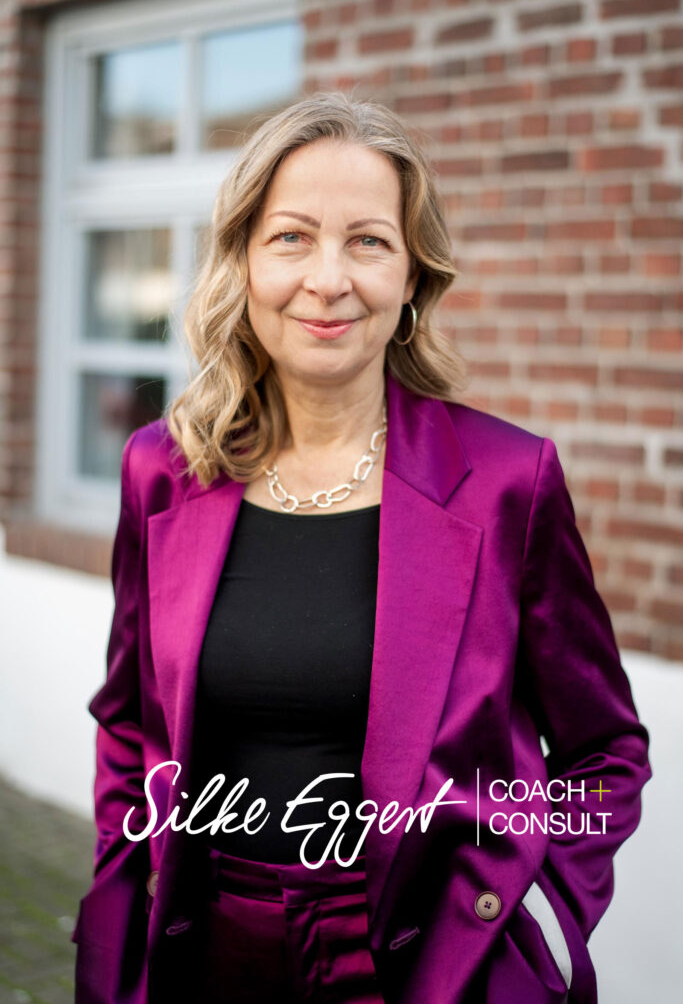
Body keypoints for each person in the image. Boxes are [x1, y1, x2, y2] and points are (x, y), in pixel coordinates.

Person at [72, 91, 652, 1004]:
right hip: (199, 949)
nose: (328, 278)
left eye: (369, 242)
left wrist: (531, 912)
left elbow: (603, 753)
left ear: (414, 279)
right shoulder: (163, 469)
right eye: (291, 237)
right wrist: (132, 866)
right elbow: (127, 720)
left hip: (428, 969)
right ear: (243, 263)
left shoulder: (507, 482)